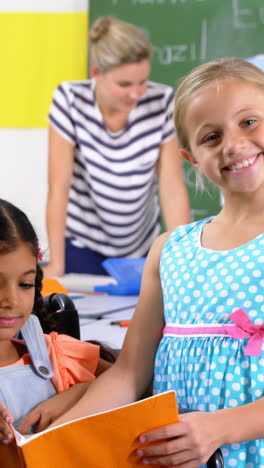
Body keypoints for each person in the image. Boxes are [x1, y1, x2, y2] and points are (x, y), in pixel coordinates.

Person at [33, 57, 264, 467]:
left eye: (249, 122)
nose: (232, 144)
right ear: (191, 158)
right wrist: (54, 439)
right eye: (211, 137)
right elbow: (129, 374)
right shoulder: (170, 249)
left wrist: (219, 429)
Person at [44, 15, 190, 277]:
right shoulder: (69, 99)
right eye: (124, 84)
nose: (136, 93)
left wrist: (183, 259)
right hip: (82, 245)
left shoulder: (162, 100)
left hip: (143, 246)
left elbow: (172, 187)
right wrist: (56, 263)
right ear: (96, 74)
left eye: (143, 81)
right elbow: (59, 186)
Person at [0, 199, 113, 443]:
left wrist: (82, 393)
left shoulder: (59, 356)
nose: (11, 300)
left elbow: (140, 387)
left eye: (25, 284)